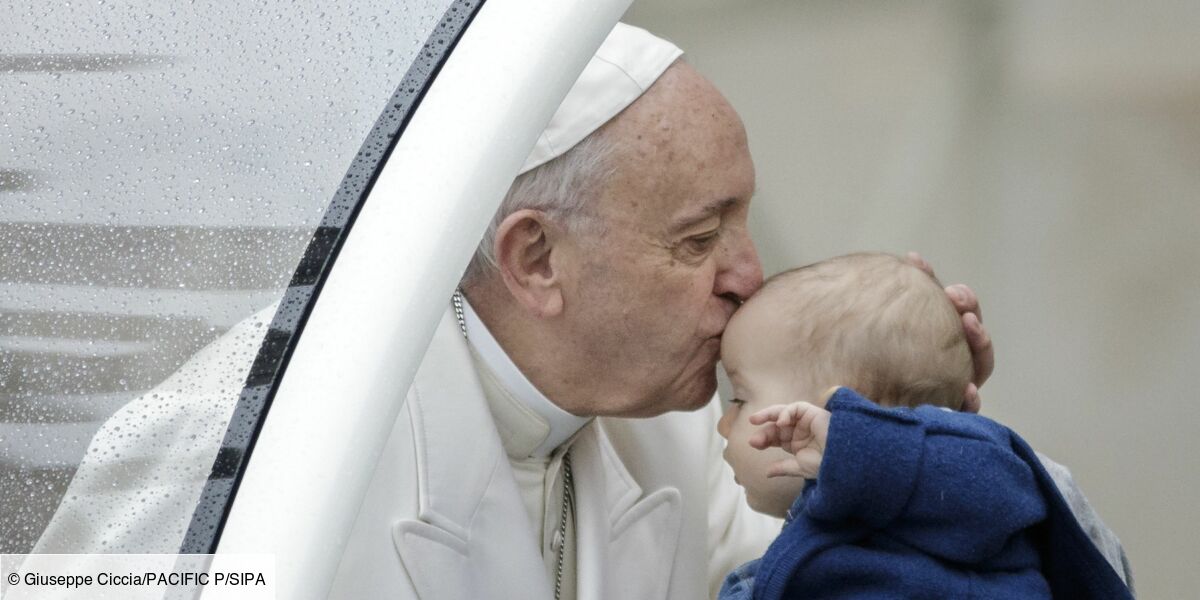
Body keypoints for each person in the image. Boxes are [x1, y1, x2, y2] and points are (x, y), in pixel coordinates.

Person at [327, 23, 1123, 600]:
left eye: (743, 222)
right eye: (700, 236)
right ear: (536, 259)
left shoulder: (695, 422)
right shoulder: (262, 441)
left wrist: (924, 425)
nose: (750, 274)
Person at [716, 253, 1134, 599]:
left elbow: (1000, 484)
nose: (722, 423)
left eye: (738, 397)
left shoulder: (979, 479)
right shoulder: (828, 542)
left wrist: (864, 446)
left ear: (843, 412)